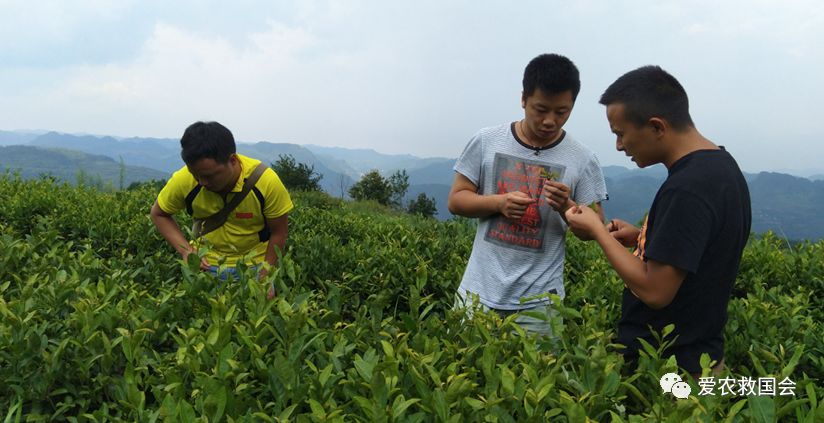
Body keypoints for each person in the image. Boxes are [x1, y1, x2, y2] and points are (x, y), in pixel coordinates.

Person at [565, 66, 751, 376]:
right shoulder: (721, 166)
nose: (619, 146)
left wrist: (598, 231)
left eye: (620, 134)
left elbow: (655, 292)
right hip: (702, 357)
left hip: (672, 371)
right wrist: (643, 237)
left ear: (656, 126)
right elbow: (699, 248)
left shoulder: (687, 188)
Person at [448, 53, 608, 336]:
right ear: (523, 99)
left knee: (537, 379)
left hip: (540, 303)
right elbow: (457, 200)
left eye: (561, 112)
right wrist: (499, 203)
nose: (549, 121)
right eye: (540, 109)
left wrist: (566, 207)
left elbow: (594, 229)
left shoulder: (583, 158)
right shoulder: (487, 141)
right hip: (478, 293)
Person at [150, 121, 293, 298]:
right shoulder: (185, 180)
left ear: (232, 160)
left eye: (210, 175)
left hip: (254, 266)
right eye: (196, 175)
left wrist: (266, 276)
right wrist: (186, 250)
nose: (202, 182)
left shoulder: (265, 182)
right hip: (205, 265)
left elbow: (279, 232)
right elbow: (158, 213)